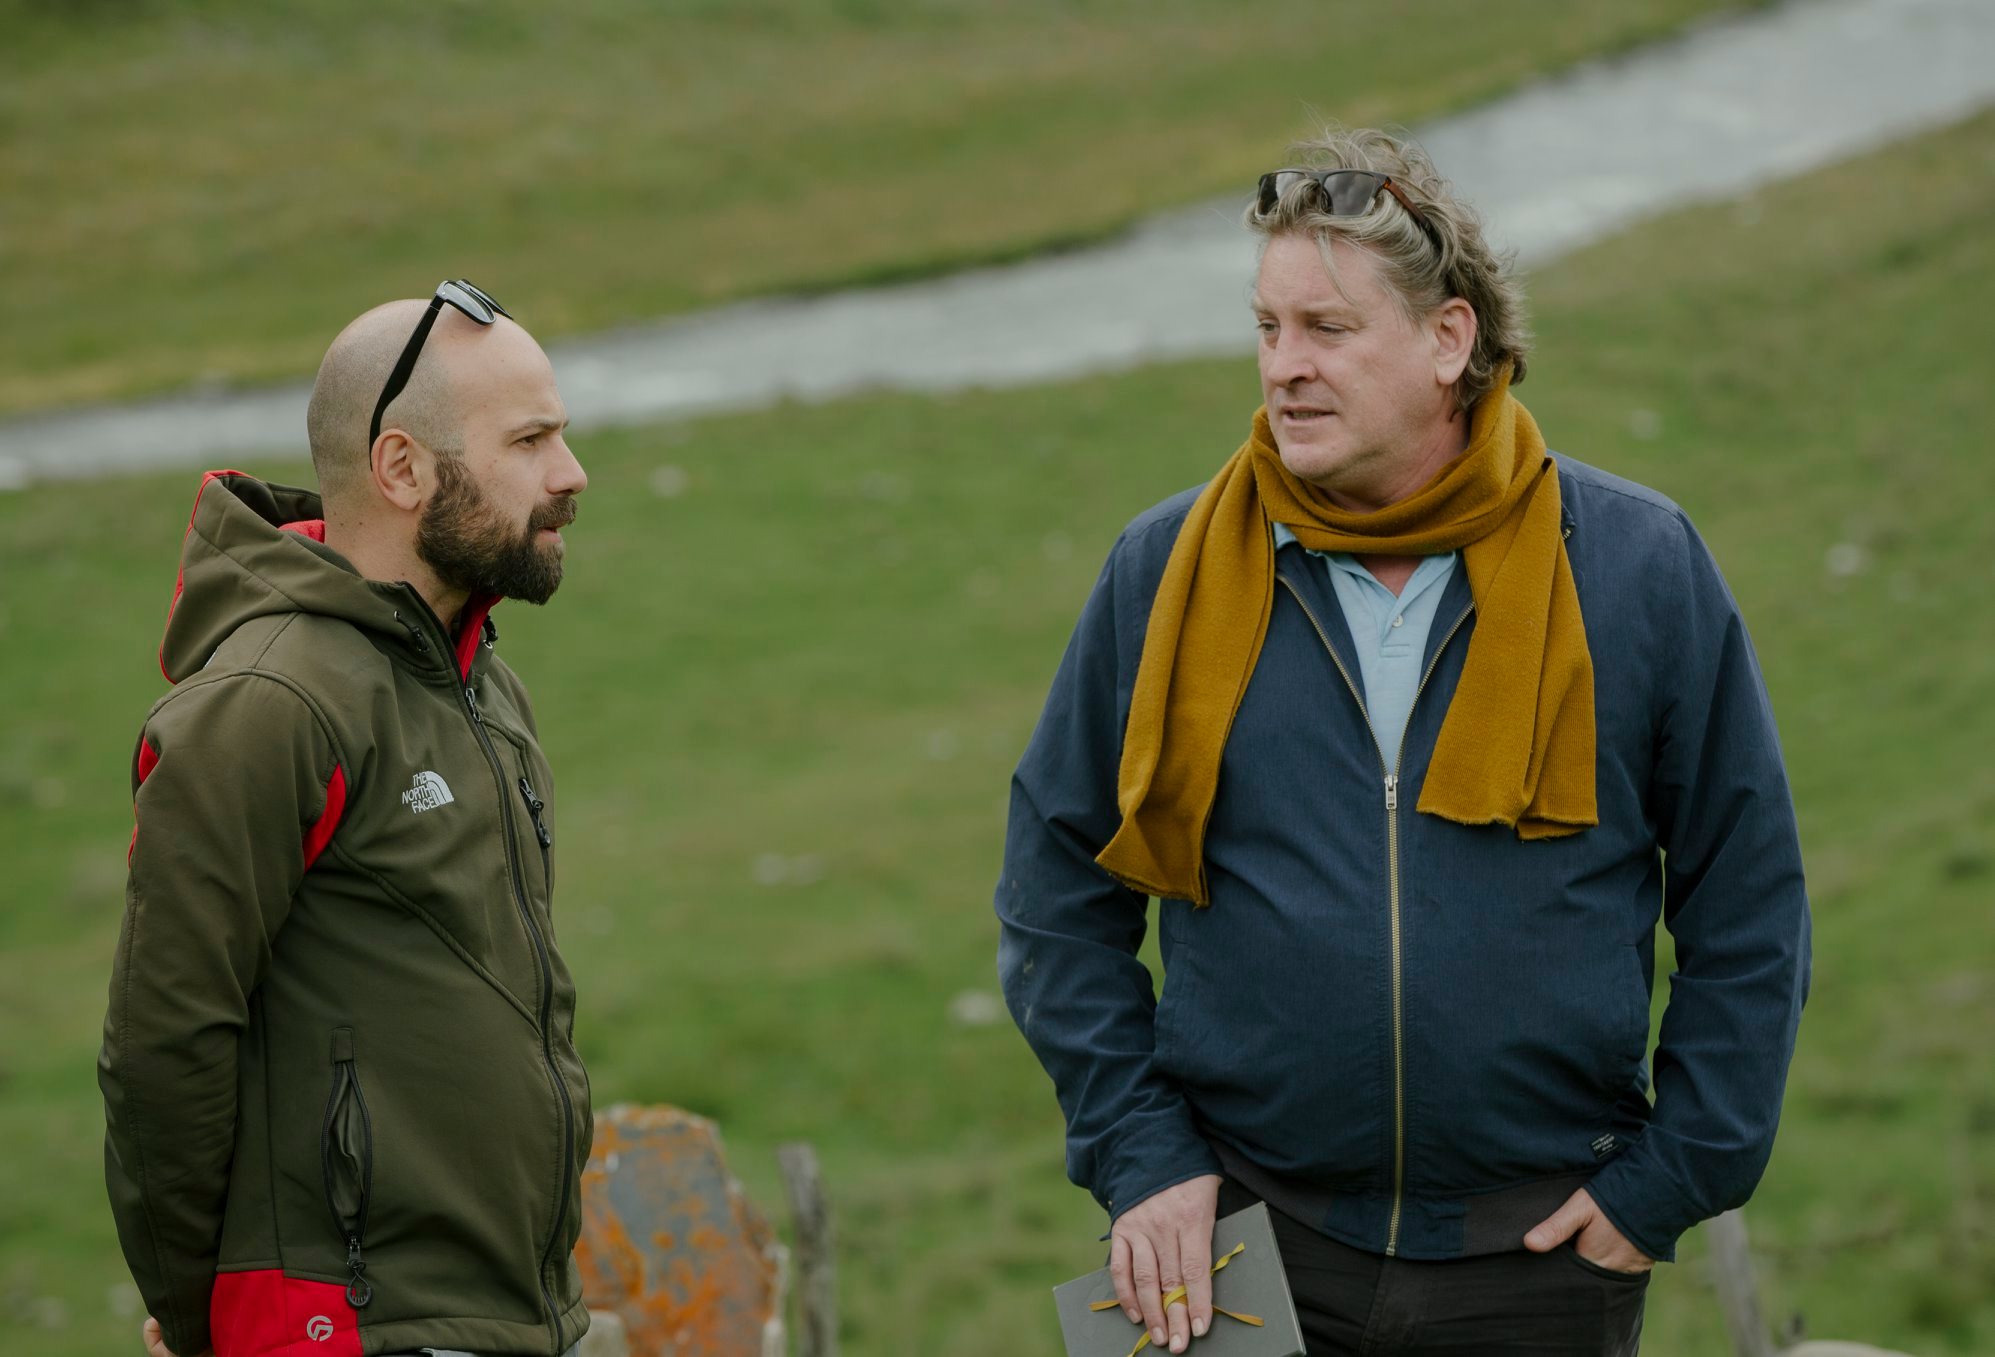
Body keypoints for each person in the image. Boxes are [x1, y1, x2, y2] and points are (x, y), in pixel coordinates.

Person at [996, 129, 1810, 1356]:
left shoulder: (1639, 564)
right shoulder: (1165, 566)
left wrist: (1670, 1181)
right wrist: (1141, 1156)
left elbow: (1748, 898)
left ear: (1448, 340)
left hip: (1539, 1257)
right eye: (1268, 327)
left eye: (1328, 329)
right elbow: (1055, 886)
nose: (1285, 366)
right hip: (1228, 1237)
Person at [102, 281, 595, 1357]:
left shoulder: (483, 688)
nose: (570, 474)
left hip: (500, 1319)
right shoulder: (269, 703)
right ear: (402, 469)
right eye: (529, 441)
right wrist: (201, 1321)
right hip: (339, 1327)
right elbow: (163, 1044)